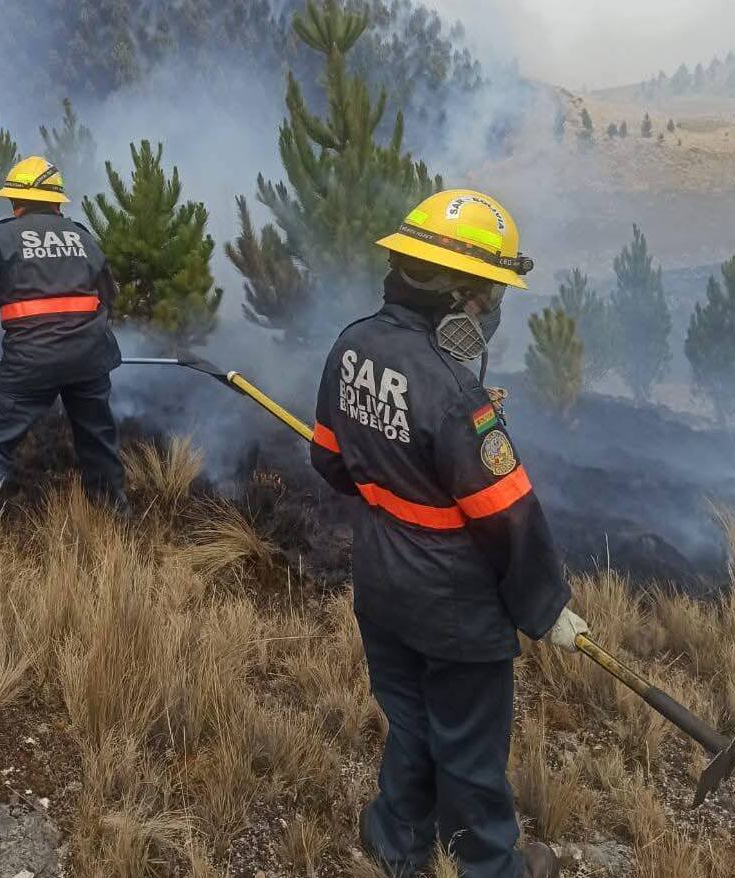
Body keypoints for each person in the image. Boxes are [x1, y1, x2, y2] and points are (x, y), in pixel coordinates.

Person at [309, 189, 589, 878]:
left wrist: (393, 483)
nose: (491, 308)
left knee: (408, 721)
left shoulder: (352, 345)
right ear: (456, 295)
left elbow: (328, 459)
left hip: (380, 582)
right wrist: (546, 606)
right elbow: (509, 517)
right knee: (468, 747)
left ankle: (397, 841)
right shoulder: (455, 392)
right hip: (455, 609)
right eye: (488, 294)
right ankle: (490, 867)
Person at [0, 155, 126, 510]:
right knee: (98, 442)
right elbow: (108, 296)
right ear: (57, 202)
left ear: (16, 201)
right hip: (89, 358)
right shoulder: (82, 236)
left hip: (31, 362)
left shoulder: (0, 237)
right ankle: (116, 519)